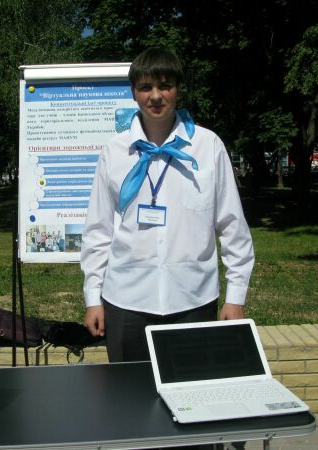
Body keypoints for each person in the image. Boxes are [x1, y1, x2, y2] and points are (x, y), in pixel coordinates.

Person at [81, 48, 255, 364]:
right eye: (146, 87)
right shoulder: (115, 151)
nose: (156, 96)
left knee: (189, 389)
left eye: (165, 86)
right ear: (133, 92)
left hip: (193, 301)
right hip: (126, 301)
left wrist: (236, 296)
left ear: (178, 89)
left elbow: (232, 225)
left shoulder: (207, 146)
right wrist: (93, 297)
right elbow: (98, 230)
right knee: (128, 390)